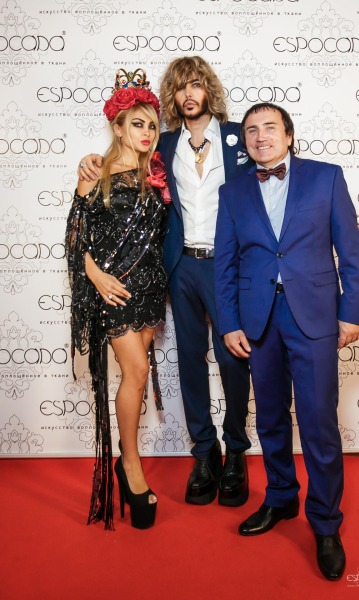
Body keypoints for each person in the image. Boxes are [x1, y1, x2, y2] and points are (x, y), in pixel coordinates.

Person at [78, 57, 254, 508]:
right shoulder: (163, 143)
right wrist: (89, 161)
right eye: (180, 87)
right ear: (173, 97)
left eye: (196, 84)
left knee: (233, 360)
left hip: (228, 267)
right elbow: (119, 160)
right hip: (181, 268)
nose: (188, 94)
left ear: (208, 89)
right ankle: (204, 451)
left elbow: (281, 175)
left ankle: (236, 450)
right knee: (190, 360)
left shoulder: (240, 137)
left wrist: (331, 220)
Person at [214, 102, 359, 581]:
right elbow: (225, 263)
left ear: (289, 135)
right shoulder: (232, 191)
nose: (260, 137)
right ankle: (280, 498)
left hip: (315, 316)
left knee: (319, 423)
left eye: (269, 128)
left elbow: (351, 250)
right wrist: (229, 322)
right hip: (258, 320)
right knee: (272, 419)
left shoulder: (327, 177)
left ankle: (325, 523)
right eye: (251, 130)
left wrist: (351, 311)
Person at [66, 68, 170, 530]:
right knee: (138, 372)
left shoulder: (157, 175)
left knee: (135, 374)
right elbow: (76, 239)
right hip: (114, 291)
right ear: (117, 127)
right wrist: (96, 276)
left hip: (150, 288)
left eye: (152, 125)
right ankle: (130, 465)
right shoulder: (96, 174)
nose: (146, 132)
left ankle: (128, 463)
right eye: (137, 124)